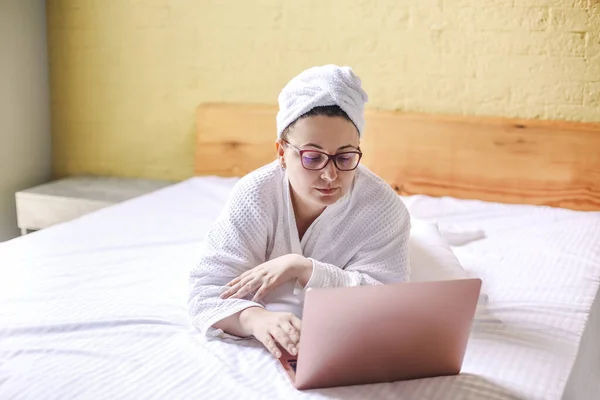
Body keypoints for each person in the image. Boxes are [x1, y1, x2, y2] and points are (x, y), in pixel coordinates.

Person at [188, 64, 410, 359]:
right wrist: (255, 319)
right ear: (282, 153)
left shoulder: (383, 208)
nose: (330, 175)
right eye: (312, 157)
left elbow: (389, 300)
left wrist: (304, 267)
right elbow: (207, 287)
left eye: (344, 157)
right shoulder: (255, 194)